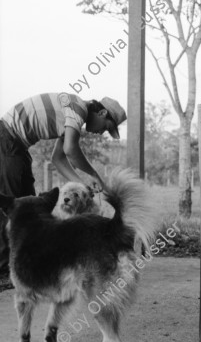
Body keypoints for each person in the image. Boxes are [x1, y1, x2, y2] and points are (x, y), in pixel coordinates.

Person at [0, 92, 126, 269]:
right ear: (102, 113)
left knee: (30, 205)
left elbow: (58, 159)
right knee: (11, 205)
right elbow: (70, 150)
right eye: (106, 127)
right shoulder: (78, 108)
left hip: (17, 145)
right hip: (7, 138)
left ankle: (29, 263)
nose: (101, 133)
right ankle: (6, 268)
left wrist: (82, 183)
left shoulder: (71, 116)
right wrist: (93, 176)